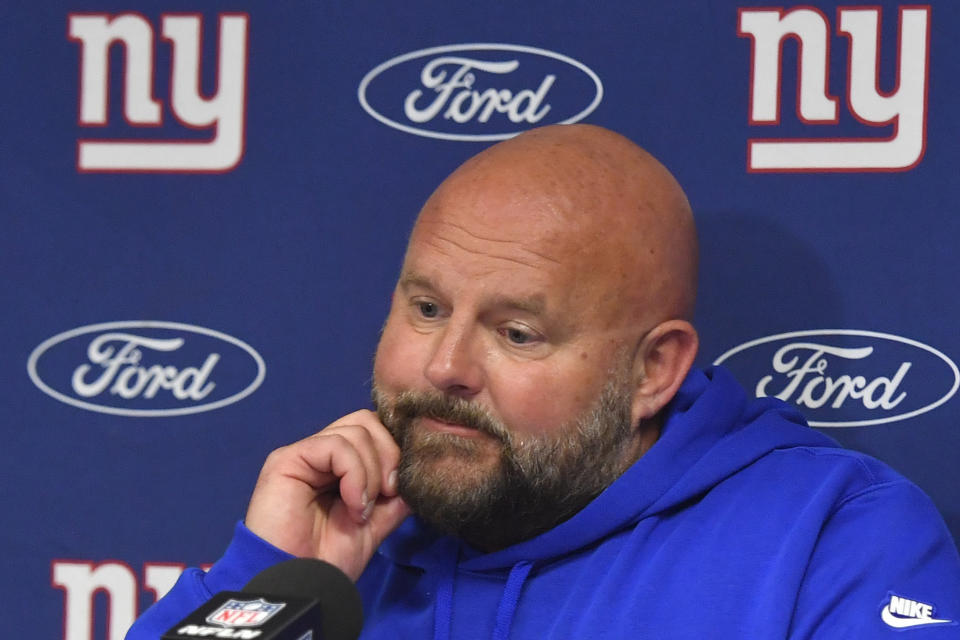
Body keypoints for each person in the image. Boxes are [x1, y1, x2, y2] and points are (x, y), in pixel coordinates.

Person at [127, 125, 960, 639]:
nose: (444, 368)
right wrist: (266, 580)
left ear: (652, 370)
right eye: (424, 308)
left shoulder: (832, 537)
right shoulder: (344, 546)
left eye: (516, 333)